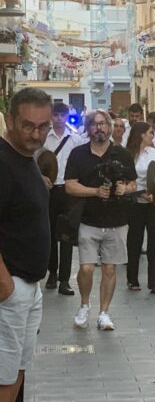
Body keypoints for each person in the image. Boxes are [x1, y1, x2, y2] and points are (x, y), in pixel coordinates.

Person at [0, 88, 52, 401]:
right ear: (10, 121)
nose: (36, 134)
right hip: (11, 287)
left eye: (43, 126)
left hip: (28, 286)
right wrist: (4, 282)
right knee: (4, 375)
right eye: (28, 126)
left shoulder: (26, 158)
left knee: (18, 369)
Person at [65, 110, 138, 331]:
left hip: (117, 221)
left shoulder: (122, 154)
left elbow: (134, 184)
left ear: (110, 127)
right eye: (95, 124)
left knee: (109, 269)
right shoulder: (78, 154)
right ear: (88, 129)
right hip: (88, 220)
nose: (100, 128)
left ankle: (104, 313)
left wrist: (125, 188)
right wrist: (94, 191)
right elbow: (70, 185)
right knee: (86, 268)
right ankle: (84, 305)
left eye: (104, 124)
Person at [43, 101, 83, 295]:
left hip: (68, 192)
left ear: (67, 116)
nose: (59, 119)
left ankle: (64, 280)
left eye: (62, 115)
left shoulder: (75, 140)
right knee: (50, 233)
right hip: (49, 191)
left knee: (66, 235)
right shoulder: (44, 139)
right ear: (51, 116)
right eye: (56, 115)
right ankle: (52, 272)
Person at [125, 122, 155, 295]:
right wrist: (141, 193)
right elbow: (125, 180)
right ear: (141, 135)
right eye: (151, 133)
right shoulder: (128, 154)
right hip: (135, 203)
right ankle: (132, 279)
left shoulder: (153, 152)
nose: (153, 135)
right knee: (134, 241)